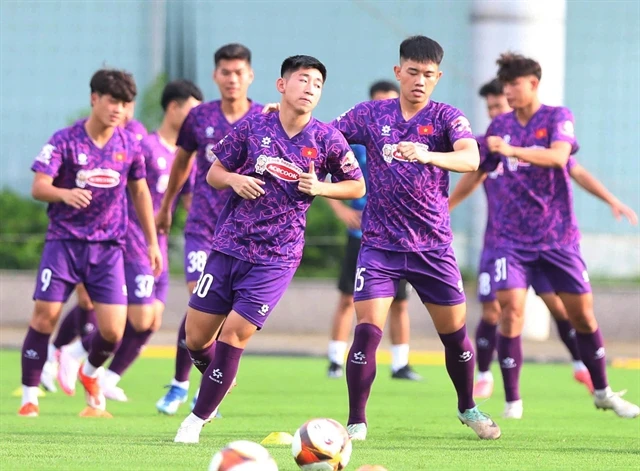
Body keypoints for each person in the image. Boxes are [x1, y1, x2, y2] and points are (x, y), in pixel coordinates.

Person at [173, 54, 365, 443]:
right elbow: (213, 173)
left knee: (236, 334)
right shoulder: (253, 126)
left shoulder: (327, 139)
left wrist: (323, 188)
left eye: (317, 84)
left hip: (277, 257)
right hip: (229, 247)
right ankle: (220, 376)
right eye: (303, 80)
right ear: (281, 85)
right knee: (195, 339)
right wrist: (234, 180)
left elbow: (357, 185)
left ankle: (194, 420)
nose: (310, 89)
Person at [330, 36, 500, 440]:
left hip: (432, 247)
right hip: (379, 245)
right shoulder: (370, 115)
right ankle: (356, 421)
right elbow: (325, 136)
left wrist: (427, 154)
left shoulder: (447, 117)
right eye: (412, 73)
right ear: (398, 72)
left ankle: (467, 407)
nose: (419, 81)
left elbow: (471, 158)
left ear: (437, 77)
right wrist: (284, 120)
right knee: (368, 330)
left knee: (455, 336)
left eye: (427, 74)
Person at [449, 78, 638, 401]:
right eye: (490, 108)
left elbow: (573, 168)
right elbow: (471, 173)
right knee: (496, 311)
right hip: (501, 243)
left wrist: (611, 199)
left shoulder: (536, 141)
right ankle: (488, 378)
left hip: (547, 242)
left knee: (562, 308)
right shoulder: (489, 146)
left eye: (500, 105)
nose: (495, 112)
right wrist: (447, 206)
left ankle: (581, 365)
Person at [19, 68, 162, 417]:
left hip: (109, 248)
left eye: (126, 103)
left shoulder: (130, 144)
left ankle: (88, 371)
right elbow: (39, 186)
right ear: (94, 98)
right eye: (112, 100)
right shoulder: (65, 140)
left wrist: (151, 242)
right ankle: (29, 397)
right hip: (64, 243)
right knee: (45, 317)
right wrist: (64, 194)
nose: (119, 109)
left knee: (113, 332)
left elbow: (140, 191)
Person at [155, 43, 263, 415]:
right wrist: (167, 205)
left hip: (248, 235)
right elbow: (181, 163)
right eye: (225, 72)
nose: (232, 79)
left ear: (250, 76)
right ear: (215, 76)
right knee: (199, 301)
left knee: (223, 317)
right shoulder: (199, 117)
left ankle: (209, 384)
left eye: (239, 72)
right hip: (203, 227)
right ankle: (182, 384)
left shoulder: (266, 117)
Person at [327, 79, 421, 381]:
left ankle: (400, 364)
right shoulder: (356, 138)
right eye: (379, 102)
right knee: (347, 298)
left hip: (400, 235)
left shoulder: (413, 139)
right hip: (363, 234)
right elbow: (325, 170)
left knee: (400, 302)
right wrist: (340, 208)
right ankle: (334, 360)